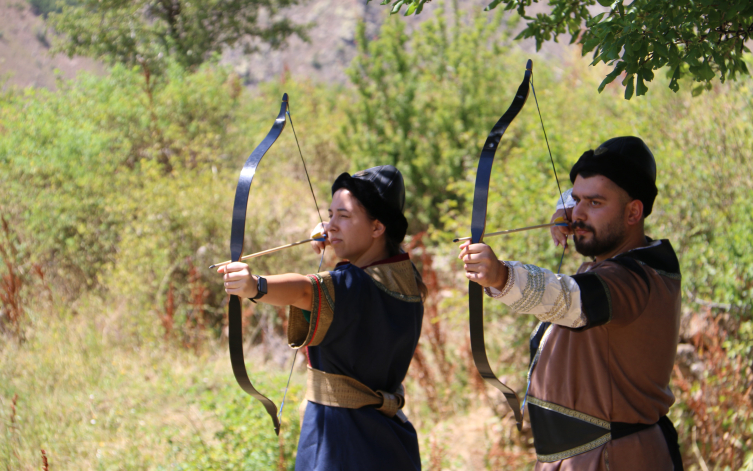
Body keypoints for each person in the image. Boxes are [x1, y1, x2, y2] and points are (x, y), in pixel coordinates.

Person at [459, 136, 684, 470]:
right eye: (575, 200)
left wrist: (502, 277)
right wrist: (576, 205)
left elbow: (567, 298)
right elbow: (589, 199)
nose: (577, 214)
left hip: (616, 458)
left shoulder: (634, 279)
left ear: (634, 211)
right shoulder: (612, 257)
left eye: (594, 203)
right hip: (580, 457)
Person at [219, 165, 425, 471]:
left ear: (377, 227)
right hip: (388, 441)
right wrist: (342, 231)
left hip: (340, 443)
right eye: (330, 214)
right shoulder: (406, 277)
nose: (330, 225)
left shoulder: (353, 284)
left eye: (343, 215)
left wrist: (255, 286)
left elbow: (305, 290)